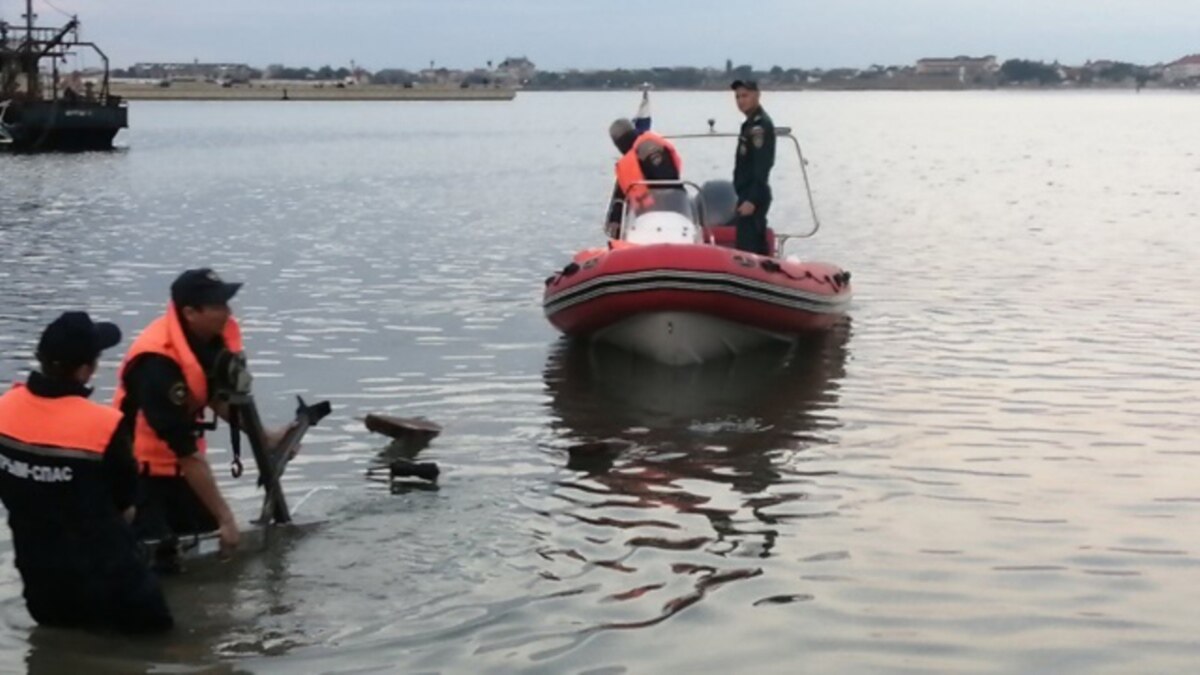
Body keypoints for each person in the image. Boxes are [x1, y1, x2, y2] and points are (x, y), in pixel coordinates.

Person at [0, 312, 173, 632]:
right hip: (115, 591)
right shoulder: (104, 426)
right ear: (85, 370)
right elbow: (128, 506)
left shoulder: (4, 410)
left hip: (42, 589)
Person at [113, 268, 287, 556]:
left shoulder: (206, 342)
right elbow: (185, 450)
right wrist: (226, 517)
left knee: (213, 545)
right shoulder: (156, 362)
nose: (227, 313)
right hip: (141, 474)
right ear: (191, 312)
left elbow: (217, 399)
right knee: (156, 559)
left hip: (184, 471)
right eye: (218, 306)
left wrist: (264, 437)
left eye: (226, 304)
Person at [605, 118, 684, 236]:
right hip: (644, 221)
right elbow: (619, 197)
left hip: (672, 214)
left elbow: (667, 179)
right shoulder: (627, 164)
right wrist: (615, 220)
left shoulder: (647, 147)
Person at [731, 80, 776, 255]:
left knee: (750, 246)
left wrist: (751, 199)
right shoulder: (749, 124)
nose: (740, 101)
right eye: (737, 97)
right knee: (747, 242)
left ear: (757, 95)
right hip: (746, 192)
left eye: (745, 95)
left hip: (755, 193)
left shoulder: (759, 126)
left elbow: (762, 165)